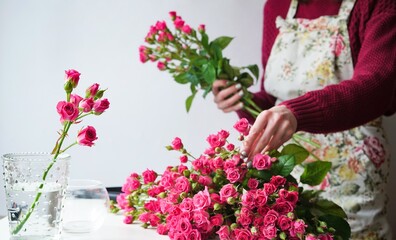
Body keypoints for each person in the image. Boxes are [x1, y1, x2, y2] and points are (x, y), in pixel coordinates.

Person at [212, 0, 396, 239]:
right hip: (284, 166)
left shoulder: (377, 4)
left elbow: (377, 86)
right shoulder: (276, 6)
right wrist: (240, 99)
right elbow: (274, 98)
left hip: (351, 169)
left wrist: (296, 113)